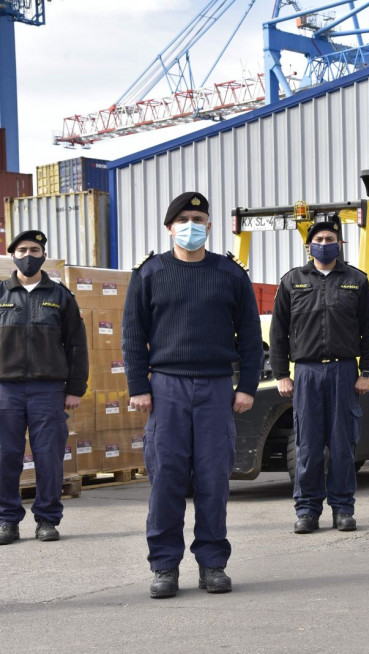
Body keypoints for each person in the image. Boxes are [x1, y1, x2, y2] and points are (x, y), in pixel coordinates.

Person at [123, 192, 262, 599]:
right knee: (166, 478)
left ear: (210, 225)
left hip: (217, 387)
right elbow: (133, 335)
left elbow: (251, 336)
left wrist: (247, 386)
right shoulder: (149, 273)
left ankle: (212, 564)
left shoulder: (230, 274)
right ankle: (164, 567)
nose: (190, 224)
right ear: (169, 227)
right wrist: (138, 387)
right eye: (183, 218)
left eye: (198, 217)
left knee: (213, 479)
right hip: (166, 387)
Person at [270, 215, 369, 534]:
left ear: (340, 244)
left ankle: (343, 509)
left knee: (342, 444)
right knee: (307, 444)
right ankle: (307, 511)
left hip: (344, 372)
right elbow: (278, 331)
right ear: (308, 246)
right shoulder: (292, 281)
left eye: (330, 239)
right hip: (305, 373)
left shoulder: (357, 281)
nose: (323, 244)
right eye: (318, 240)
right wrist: (281, 373)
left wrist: (367, 371)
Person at [0, 230, 88, 545]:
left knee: (48, 457)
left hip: (48, 391)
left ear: (43, 254)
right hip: (5, 390)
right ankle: (7, 520)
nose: (28, 255)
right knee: (4, 457)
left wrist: (76, 388)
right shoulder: (0, 293)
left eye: (34, 249)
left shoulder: (62, 296)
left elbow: (77, 345)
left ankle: (47, 520)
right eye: (22, 249)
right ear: (12, 255)